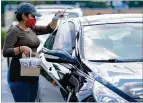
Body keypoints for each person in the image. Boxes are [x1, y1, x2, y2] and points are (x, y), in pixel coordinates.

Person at [3, 3, 64, 102]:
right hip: (19, 76)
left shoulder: (32, 28)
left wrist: (55, 18)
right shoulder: (14, 31)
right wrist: (20, 48)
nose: (34, 18)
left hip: (32, 73)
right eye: (32, 16)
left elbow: (49, 29)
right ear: (23, 16)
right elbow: (5, 51)